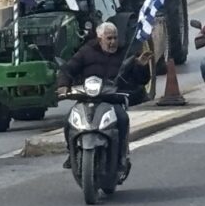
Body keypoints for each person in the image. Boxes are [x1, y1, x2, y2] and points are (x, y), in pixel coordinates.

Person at [56, 21, 152, 172]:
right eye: (109, 38)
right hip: (87, 99)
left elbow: (141, 80)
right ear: (100, 39)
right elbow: (68, 69)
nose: (113, 42)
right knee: (69, 121)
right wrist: (63, 85)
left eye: (115, 38)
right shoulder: (86, 52)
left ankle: (121, 158)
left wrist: (141, 66)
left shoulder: (124, 54)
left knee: (122, 119)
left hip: (112, 100)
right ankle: (72, 153)